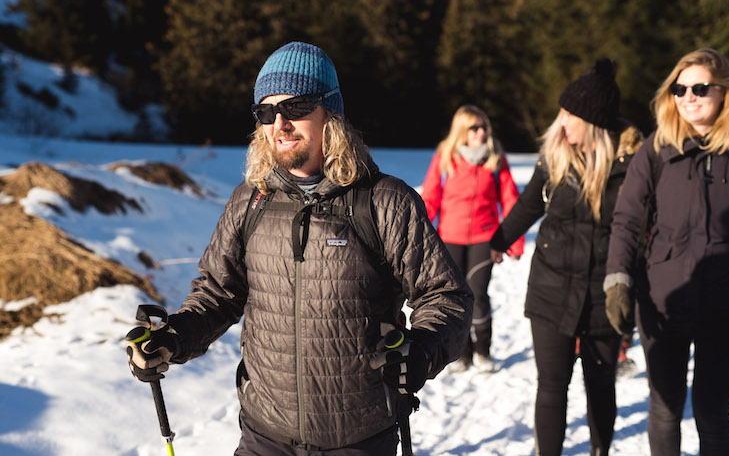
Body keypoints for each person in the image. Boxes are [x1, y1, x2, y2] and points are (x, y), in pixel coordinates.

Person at [126, 41, 474, 455]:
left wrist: (422, 351)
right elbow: (218, 293)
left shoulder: (384, 201)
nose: (280, 123)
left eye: (295, 107)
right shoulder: (250, 201)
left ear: (332, 113)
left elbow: (446, 297)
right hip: (263, 436)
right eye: (266, 112)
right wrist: (173, 337)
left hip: (358, 439)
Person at [489, 58, 643, 456]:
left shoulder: (633, 166)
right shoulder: (555, 157)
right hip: (551, 288)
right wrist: (499, 239)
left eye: (569, 115)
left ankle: (599, 451)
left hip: (603, 294)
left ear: (592, 121)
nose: (561, 123)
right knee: (552, 387)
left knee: (600, 383)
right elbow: (528, 205)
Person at [605, 48, 729, 456]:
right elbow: (628, 221)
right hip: (664, 301)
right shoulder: (655, 151)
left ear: (725, 92)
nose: (688, 96)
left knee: (712, 411)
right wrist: (617, 278)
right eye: (679, 88)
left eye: (700, 87)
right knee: (665, 408)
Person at [420, 104, 524, 373]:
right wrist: (417, 232)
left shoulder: (495, 158)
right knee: (455, 297)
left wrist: (514, 241)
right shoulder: (446, 156)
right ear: (462, 131)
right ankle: (461, 352)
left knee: (478, 294)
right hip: (450, 237)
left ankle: (483, 350)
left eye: (483, 127)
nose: (480, 132)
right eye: (474, 128)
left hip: (484, 238)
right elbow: (431, 196)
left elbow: (510, 199)